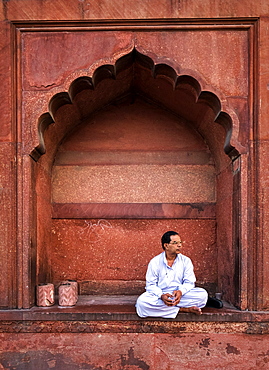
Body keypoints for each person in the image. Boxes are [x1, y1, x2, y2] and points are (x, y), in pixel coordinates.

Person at [135, 231, 208, 318]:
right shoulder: (155, 262)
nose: (180, 245)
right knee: (142, 303)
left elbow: (189, 282)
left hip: (180, 296)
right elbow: (150, 285)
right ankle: (184, 309)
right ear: (166, 246)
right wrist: (161, 295)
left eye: (180, 242)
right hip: (161, 296)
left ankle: (168, 309)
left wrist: (181, 292)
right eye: (175, 243)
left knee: (202, 295)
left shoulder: (186, 261)